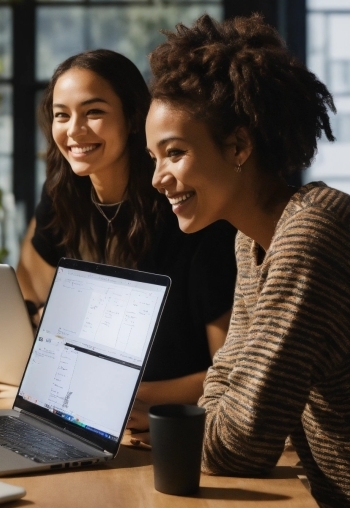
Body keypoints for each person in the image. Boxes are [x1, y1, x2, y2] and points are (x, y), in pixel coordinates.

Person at [146, 14, 350, 508]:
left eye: (173, 153)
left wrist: (212, 422)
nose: (157, 177)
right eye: (154, 158)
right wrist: (216, 418)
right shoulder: (253, 242)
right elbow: (226, 374)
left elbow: (238, 445)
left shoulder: (313, 233)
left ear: (239, 145)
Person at [17, 50, 237, 423]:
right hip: (86, 411)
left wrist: (126, 395)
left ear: (134, 118)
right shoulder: (62, 199)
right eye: (61, 115)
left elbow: (230, 374)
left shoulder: (187, 214)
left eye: (94, 112)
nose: (74, 130)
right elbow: (29, 290)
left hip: (171, 425)